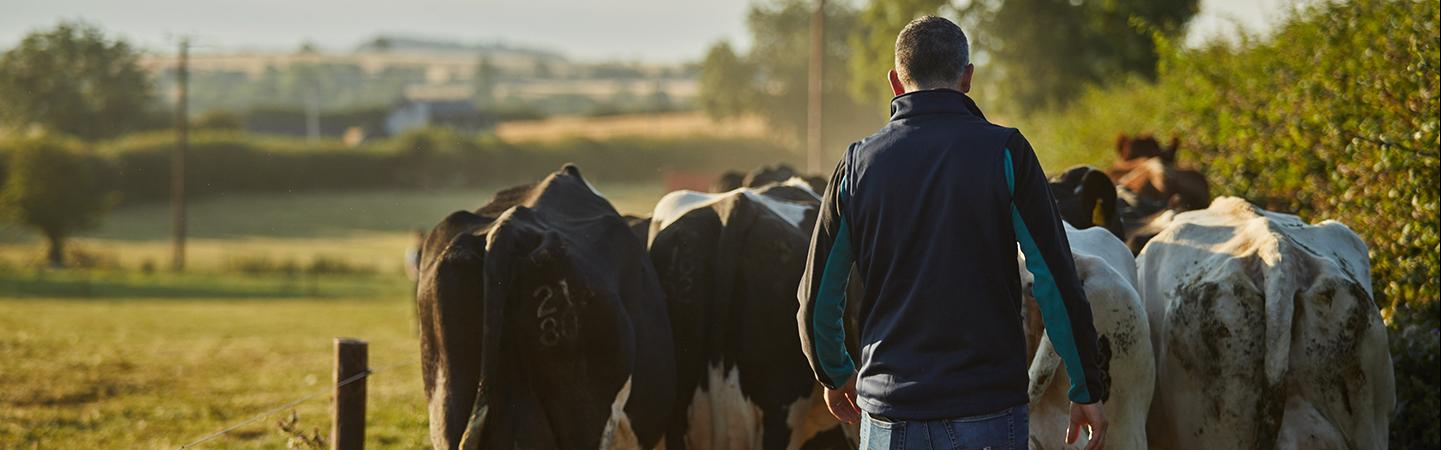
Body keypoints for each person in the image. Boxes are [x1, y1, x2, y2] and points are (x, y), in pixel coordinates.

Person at [796, 16, 1109, 450]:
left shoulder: (856, 165)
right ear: (967, 77)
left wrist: (834, 373)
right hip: (989, 411)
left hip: (890, 416)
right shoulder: (1007, 152)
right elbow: (1054, 278)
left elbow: (816, 299)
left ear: (895, 81)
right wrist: (1086, 386)